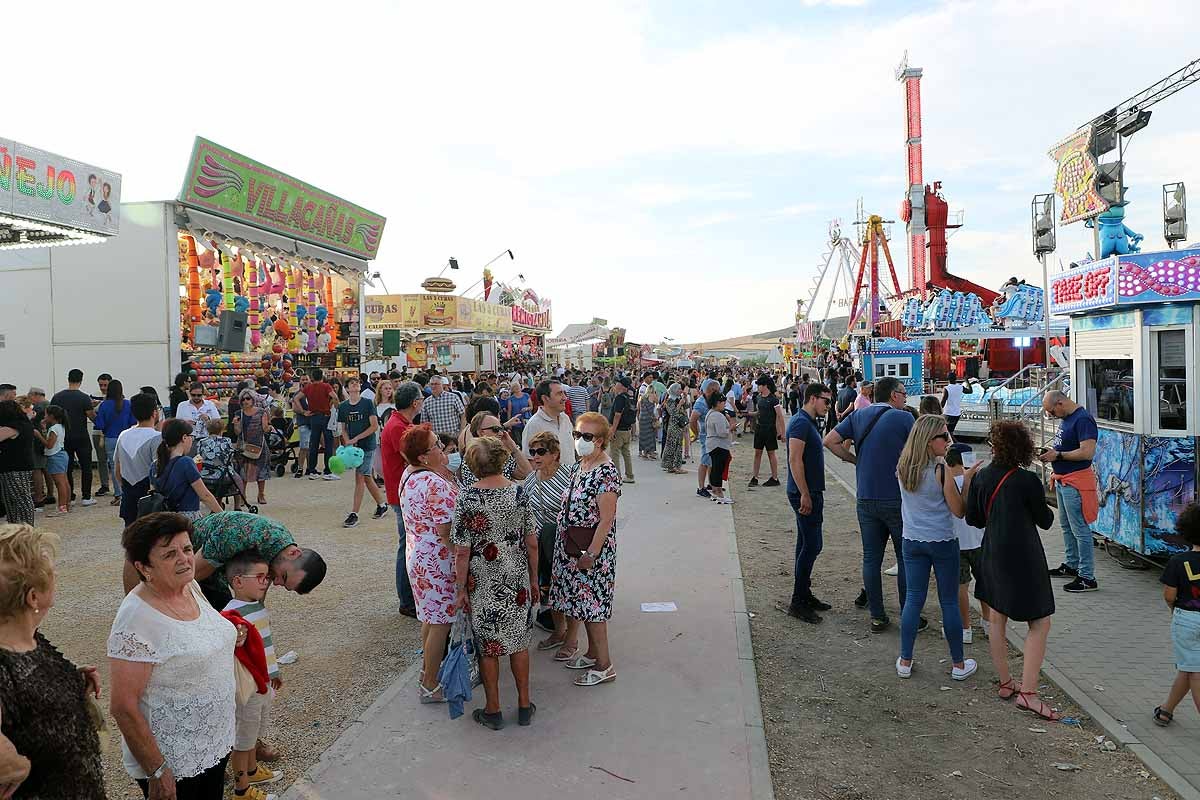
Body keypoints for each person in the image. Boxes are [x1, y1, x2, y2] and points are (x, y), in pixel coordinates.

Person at [109, 513, 241, 799]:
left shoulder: (189, 586)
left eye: (188, 549)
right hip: (176, 760)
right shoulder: (136, 619)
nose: (184, 559)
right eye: (170, 554)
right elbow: (123, 706)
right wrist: (157, 770)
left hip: (215, 742)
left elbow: (198, 636)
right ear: (144, 568)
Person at [0, 524, 106, 799]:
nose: (56, 575)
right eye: (51, 572)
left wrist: (69, 681)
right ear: (33, 597)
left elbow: (33, 695)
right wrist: (15, 767)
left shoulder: (30, 637)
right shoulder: (4, 667)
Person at [965, 420, 1058, 720]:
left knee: (996, 618)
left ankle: (1006, 682)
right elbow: (1045, 520)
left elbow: (974, 520)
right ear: (1024, 447)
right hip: (1025, 556)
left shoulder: (981, 478)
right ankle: (1029, 693)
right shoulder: (1027, 480)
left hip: (991, 553)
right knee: (1040, 622)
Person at [451, 437, 539, 730]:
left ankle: (493, 709)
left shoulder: (467, 498)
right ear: (503, 459)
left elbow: (462, 550)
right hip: (516, 578)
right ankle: (525, 705)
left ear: (473, 465)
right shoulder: (518, 493)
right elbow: (531, 542)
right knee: (519, 642)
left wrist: (461, 588)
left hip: (483, 581)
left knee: (489, 647)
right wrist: (535, 579)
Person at [824, 376, 917, 633]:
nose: (906, 397)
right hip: (896, 499)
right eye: (903, 392)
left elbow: (829, 441)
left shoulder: (858, 415)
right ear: (893, 395)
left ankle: (877, 615)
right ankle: (908, 614)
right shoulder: (904, 418)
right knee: (904, 557)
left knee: (871, 557)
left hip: (865, 497)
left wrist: (855, 461)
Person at [894, 415, 980, 681]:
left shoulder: (903, 466)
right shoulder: (939, 469)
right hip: (942, 541)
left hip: (912, 539)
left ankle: (905, 659)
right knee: (949, 602)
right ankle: (957, 664)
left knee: (913, 599)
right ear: (930, 441)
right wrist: (966, 481)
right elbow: (959, 511)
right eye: (944, 436)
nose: (949, 441)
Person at [550, 412, 620, 687]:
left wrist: (591, 554)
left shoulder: (607, 471)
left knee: (593, 609)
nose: (580, 440)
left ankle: (605, 666)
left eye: (587, 436)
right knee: (582, 605)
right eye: (577, 435)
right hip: (572, 549)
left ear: (601, 440)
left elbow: (606, 519)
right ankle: (592, 654)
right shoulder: (582, 465)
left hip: (592, 552)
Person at [397, 425, 460, 703]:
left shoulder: (409, 475)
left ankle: (427, 674)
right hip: (437, 559)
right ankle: (430, 682)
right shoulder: (433, 483)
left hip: (419, 554)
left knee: (429, 619)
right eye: (436, 445)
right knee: (441, 623)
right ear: (423, 456)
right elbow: (447, 531)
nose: (442, 448)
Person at [222, 551, 284, 798]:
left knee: (255, 731)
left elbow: (266, 645)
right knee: (243, 739)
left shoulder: (256, 608)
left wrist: (274, 671)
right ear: (237, 581)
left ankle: (251, 769)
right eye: (258, 577)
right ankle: (242, 790)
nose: (265, 582)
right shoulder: (231, 615)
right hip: (247, 688)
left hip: (263, 683)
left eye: (266, 577)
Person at [1039, 390, 1100, 593]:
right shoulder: (1068, 418)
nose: (1052, 416)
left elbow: (1087, 452)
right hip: (1064, 480)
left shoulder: (1083, 419)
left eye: (1051, 412)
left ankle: (1086, 576)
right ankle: (1072, 564)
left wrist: (1059, 456)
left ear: (1060, 403)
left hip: (1076, 481)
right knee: (1066, 526)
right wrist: (1053, 454)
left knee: (1080, 529)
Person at [785, 383, 833, 624]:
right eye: (826, 400)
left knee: (805, 544)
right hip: (805, 492)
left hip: (810, 491)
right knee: (812, 545)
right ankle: (798, 600)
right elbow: (795, 460)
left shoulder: (807, 421)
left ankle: (803, 594)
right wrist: (804, 493)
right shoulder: (801, 422)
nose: (828, 405)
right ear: (813, 398)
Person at [522, 430, 574, 646]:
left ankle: (570, 638)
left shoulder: (570, 475)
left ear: (554, 453)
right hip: (539, 545)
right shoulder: (530, 480)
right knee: (547, 588)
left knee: (566, 588)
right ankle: (558, 631)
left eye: (541, 452)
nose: (535, 456)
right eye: (533, 452)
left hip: (563, 543)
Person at [1152, 503, 1200, 728]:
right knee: (1189, 668)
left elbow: (1169, 595)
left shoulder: (1178, 562)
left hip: (1187, 619)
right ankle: (1166, 710)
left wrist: (1174, 611)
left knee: (1194, 670)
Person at [381, 381, 425, 618]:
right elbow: (413, 459)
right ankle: (407, 600)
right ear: (415, 403)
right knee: (408, 546)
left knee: (408, 544)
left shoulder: (399, 423)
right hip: (402, 493)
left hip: (401, 491)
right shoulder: (399, 426)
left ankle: (408, 598)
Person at [946, 444, 990, 643]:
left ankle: (965, 628)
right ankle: (988, 621)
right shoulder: (977, 482)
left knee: (960, 587)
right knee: (985, 582)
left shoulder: (945, 482)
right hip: (979, 540)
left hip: (955, 541)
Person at [149, 419, 223, 524]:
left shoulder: (155, 465)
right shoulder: (186, 462)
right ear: (184, 438)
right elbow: (205, 496)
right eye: (191, 437)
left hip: (163, 518)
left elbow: (153, 494)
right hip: (187, 519)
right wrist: (224, 516)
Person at [338, 377, 388, 528]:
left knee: (360, 477)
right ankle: (381, 504)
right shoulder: (343, 407)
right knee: (366, 477)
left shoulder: (367, 403)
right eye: (351, 383)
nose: (355, 384)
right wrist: (347, 441)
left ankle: (354, 513)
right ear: (347, 389)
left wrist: (356, 439)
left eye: (357, 383)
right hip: (353, 447)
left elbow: (373, 426)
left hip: (367, 445)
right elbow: (344, 428)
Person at [115, 394, 165, 527]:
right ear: (154, 413)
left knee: (131, 535)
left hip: (128, 492)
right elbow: (159, 469)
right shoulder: (157, 437)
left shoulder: (123, 435)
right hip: (150, 496)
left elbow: (117, 469)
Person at [50, 369, 97, 506]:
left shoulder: (57, 397)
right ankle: (86, 497)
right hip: (81, 436)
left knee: (67, 467)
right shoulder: (84, 398)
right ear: (81, 380)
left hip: (64, 436)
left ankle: (70, 497)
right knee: (86, 466)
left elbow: (52, 415)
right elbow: (91, 416)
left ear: (68, 379)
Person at [458, 412, 532, 486]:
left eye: (501, 429)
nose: (501, 433)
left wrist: (514, 448)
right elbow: (482, 490)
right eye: (496, 429)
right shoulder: (471, 457)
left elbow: (526, 474)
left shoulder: (500, 453)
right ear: (481, 432)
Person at [94, 379, 135, 506]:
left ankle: (118, 494)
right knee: (127, 466)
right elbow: (133, 422)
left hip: (110, 438)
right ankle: (128, 493)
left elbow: (99, 424)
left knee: (114, 466)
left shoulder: (104, 405)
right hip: (126, 438)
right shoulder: (128, 404)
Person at [521, 380, 575, 466]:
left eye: (564, 393)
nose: (565, 398)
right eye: (559, 394)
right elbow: (530, 460)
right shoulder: (534, 425)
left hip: (571, 477)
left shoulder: (565, 418)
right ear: (545, 398)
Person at [197, 418, 245, 512]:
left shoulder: (201, 442)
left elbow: (199, 458)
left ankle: (218, 503)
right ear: (222, 429)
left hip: (205, 473)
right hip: (222, 473)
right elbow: (230, 456)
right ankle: (238, 506)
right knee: (238, 478)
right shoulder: (226, 441)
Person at [0, 400, 36, 524]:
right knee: (16, 499)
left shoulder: (13, 427)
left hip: (14, 468)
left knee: (19, 499)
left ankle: (23, 528)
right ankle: (20, 528)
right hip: (20, 466)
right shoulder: (24, 424)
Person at [233, 390, 271, 507]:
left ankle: (261, 494)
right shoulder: (239, 413)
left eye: (248, 398)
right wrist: (235, 424)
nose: (245, 401)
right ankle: (243, 495)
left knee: (261, 471)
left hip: (259, 445)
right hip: (244, 446)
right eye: (243, 399)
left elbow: (265, 428)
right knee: (243, 472)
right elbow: (238, 432)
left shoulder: (261, 412)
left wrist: (269, 427)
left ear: (253, 399)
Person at [301, 369, 338, 479]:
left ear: (312, 377)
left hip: (313, 417)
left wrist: (304, 412)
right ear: (322, 376)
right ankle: (328, 470)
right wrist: (335, 407)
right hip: (326, 416)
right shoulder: (326, 386)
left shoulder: (308, 387)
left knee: (314, 443)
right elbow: (335, 397)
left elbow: (297, 398)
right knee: (328, 444)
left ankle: (312, 470)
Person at [748, 378, 785, 488]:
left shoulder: (773, 400)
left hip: (770, 429)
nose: (758, 387)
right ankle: (755, 477)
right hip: (759, 428)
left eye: (759, 385)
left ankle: (774, 478)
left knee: (771, 453)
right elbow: (759, 413)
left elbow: (780, 416)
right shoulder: (758, 397)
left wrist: (783, 433)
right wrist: (749, 413)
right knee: (757, 453)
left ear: (765, 386)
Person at [173, 383, 220, 456]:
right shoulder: (182, 405)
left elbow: (218, 423)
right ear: (189, 393)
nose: (196, 397)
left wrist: (208, 419)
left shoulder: (210, 404)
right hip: (190, 440)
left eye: (199, 395)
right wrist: (184, 423)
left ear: (203, 394)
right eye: (193, 395)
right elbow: (176, 424)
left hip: (207, 439)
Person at [41, 405, 71, 517]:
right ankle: (66, 505)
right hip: (62, 454)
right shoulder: (60, 426)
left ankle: (62, 507)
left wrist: (39, 435)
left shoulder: (53, 429)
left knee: (60, 483)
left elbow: (49, 445)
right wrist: (44, 429)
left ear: (51, 416)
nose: (44, 416)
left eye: (45, 414)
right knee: (64, 481)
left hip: (55, 456)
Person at [705, 395, 734, 504]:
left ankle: (715, 492)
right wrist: (730, 428)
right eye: (722, 402)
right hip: (718, 446)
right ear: (717, 403)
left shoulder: (712, 413)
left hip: (715, 445)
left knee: (715, 469)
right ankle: (719, 494)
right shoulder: (717, 415)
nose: (724, 404)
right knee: (718, 470)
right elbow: (721, 433)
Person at [607, 377, 636, 484]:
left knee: (614, 453)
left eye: (617, 383)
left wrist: (612, 430)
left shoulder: (620, 398)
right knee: (626, 453)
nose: (615, 385)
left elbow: (617, 415)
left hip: (618, 430)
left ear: (622, 386)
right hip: (626, 429)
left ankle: (617, 477)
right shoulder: (629, 397)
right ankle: (630, 475)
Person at [91, 374, 113, 498]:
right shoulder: (93, 395)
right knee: (101, 460)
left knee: (115, 460)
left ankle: (118, 485)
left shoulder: (117, 396)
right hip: (98, 431)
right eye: (101, 385)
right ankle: (104, 485)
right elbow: (89, 412)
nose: (103, 388)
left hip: (111, 431)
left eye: (105, 385)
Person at [689, 387, 712, 498]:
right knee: (705, 462)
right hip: (705, 436)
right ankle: (701, 487)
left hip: (711, 436)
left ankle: (711, 484)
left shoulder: (708, 400)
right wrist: (696, 434)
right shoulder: (701, 403)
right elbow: (692, 420)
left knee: (710, 461)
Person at [661, 386, 689, 474]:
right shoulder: (670, 400)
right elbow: (673, 413)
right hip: (674, 426)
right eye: (679, 389)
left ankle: (673, 466)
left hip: (678, 426)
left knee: (676, 446)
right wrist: (680, 404)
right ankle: (675, 467)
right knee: (674, 446)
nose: (680, 390)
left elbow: (687, 406)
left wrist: (685, 398)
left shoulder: (678, 399)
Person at [290, 373, 312, 478]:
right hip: (303, 422)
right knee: (304, 446)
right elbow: (294, 408)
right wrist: (304, 412)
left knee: (310, 446)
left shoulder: (313, 392)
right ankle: (300, 468)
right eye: (303, 379)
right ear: (300, 381)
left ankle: (309, 468)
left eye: (306, 379)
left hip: (313, 422)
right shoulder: (297, 394)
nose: (305, 381)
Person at [637, 387, 659, 460]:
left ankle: (644, 452)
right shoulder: (653, 396)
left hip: (642, 417)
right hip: (650, 418)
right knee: (650, 435)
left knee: (643, 435)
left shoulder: (642, 397)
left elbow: (638, 408)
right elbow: (658, 404)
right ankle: (651, 452)